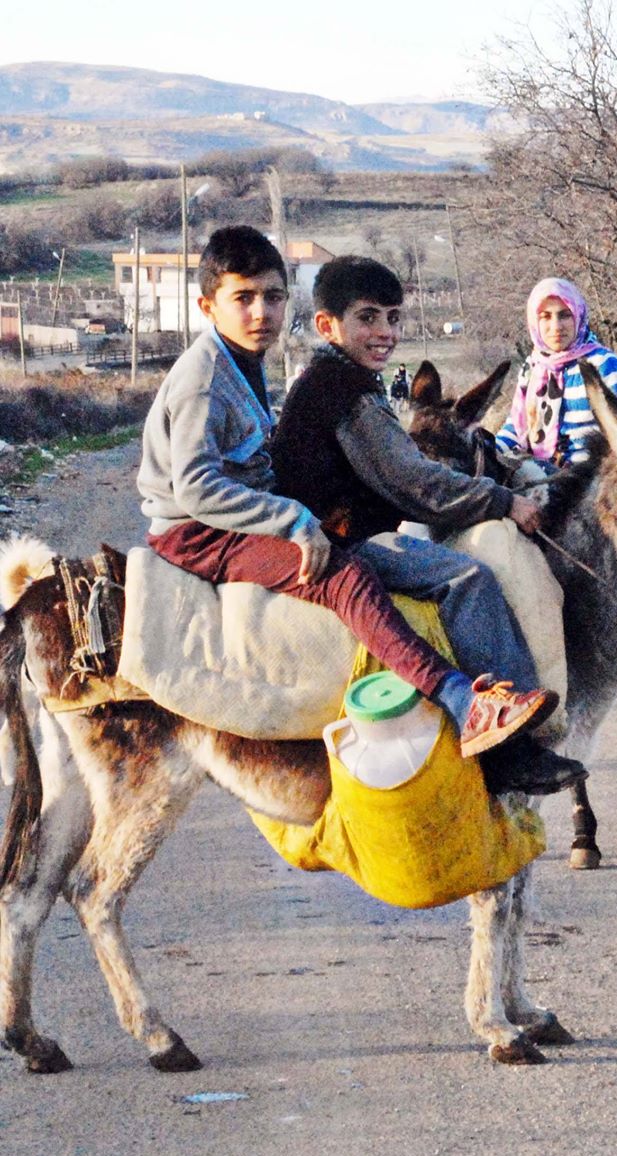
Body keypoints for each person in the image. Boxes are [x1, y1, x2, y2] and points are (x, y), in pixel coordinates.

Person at [136, 227, 556, 764]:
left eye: (272, 296)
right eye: (242, 298)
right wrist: (290, 520)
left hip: (248, 518)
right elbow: (197, 488)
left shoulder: (248, 361)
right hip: (201, 531)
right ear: (206, 305)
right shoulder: (210, 380)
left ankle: (516, 734)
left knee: (461, 574)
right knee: (345, 577)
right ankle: (457, 698)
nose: (261, 312)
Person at [270, 254, 587, 795]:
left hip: (340, 529)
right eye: (368, 318)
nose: (384, 332)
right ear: (328, 326)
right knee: (467, 577)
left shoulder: (339, 382)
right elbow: (415, 482)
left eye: (393, 318)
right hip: (340, 541)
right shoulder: (347, 394)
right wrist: (502, 501)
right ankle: (510, 743)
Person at [495, 277, 617, 467]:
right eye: (546, 316)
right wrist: (488, 450)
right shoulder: (532, 366)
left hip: (592, 475)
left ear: (578, 315)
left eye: (565, 315)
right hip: (539, 470)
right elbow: (516, 426)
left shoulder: (602, 363)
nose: (556, 326)